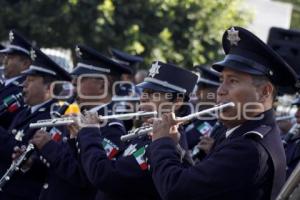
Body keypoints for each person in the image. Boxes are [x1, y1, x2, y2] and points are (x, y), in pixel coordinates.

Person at [147, 26, 298, 200]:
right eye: (221, 80)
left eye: (232, 81)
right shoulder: (239, 132)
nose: (220, 91)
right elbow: (198, 179)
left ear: (264, 92)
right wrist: (176, 146)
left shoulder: (248, 148)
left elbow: (176, 190)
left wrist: (161, 143)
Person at [74, 61, 197, 200]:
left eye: (152, 93)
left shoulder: (168, 141)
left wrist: (90, 133)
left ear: (177, 102)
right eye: (144, 91)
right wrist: (76, 137)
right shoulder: (144, 134)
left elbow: (105, 176)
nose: (143, 97)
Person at [28, 44, 131, 200]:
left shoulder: (111, 126)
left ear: (102, 85)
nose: (74, 87)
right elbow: (61, 169)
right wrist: (32, 163)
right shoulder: (79, 117)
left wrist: (49, 147)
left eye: (80, 81)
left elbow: (85, 178)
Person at [0, 46, 71, 200]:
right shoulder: (25, 112)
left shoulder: (54, 118)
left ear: (49, 87)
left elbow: (37, 160)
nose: (23, 84)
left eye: (30, 80)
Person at [184, 66, 221, 159]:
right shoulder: (197, 117)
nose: (196, 93)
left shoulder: (219, 124)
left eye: (202, 88)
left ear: (217, 92)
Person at [0, 30, 33, 129]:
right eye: (5, 57)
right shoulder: (5, 84)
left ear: (25, 64)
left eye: (10, 58)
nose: (5, 61)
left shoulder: (22, 89)